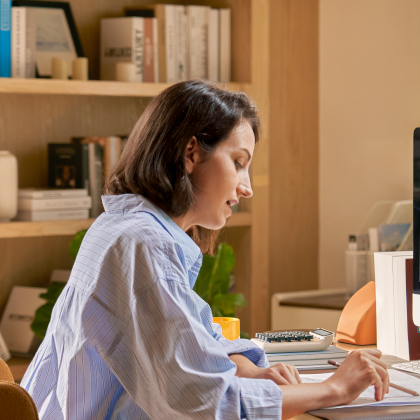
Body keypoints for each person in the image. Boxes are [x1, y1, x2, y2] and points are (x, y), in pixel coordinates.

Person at [21, 81, 389, 420]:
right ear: (191, 153)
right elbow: (208, 404)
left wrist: (253, 370)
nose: (246, 188)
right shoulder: (143, 245)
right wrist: (332, 389)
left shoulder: (119, 228)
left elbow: (189, 334)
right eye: (239, 163)